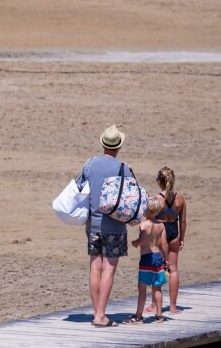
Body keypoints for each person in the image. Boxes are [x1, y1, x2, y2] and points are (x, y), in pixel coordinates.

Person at [75, 125, 132, 328]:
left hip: (93, 225)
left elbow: (78, 186)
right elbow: (132, 198)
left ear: (103, 144)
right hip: (115, 226)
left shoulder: (90, 164)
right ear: (118, 146)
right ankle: (101, 315)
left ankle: (95, 313)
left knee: (94, 267)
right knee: (108, 269)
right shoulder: (122, 168)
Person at [125, 196, 168, 325]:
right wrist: (165, 258)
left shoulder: (144, 225)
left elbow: (142, 241)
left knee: (142, 288)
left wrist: (134, 243)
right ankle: (159, 315)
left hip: (146, 258)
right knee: (157, 288)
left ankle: (138, 316)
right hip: (157, 257)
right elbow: (164, 244)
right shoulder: (161, 225)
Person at [150, 166, 187, 314]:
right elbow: (183, 222)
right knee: (173, 269)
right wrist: (182, 238)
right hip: (174, 231)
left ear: (159, 182)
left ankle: (154, 305)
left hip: (160, 232)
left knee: (157, 269)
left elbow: (150, 218)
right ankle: (173, 306)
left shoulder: (157, 199)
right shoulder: (180, 198)